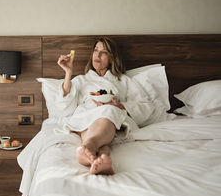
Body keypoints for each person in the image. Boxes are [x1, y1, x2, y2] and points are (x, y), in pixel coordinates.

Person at [57, 37, 154, 175]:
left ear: (112, 58)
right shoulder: (82, 80)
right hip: (85, 117)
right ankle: (98, 153)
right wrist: (68, 73)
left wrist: (120, 106)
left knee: (108, 111)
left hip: (110, 119)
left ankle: (90, 153)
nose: (98, 55)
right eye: (96, 50)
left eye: (104, 52)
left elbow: (146, 106)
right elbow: (64, 107)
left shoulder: (123, 81)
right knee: (104, 124)